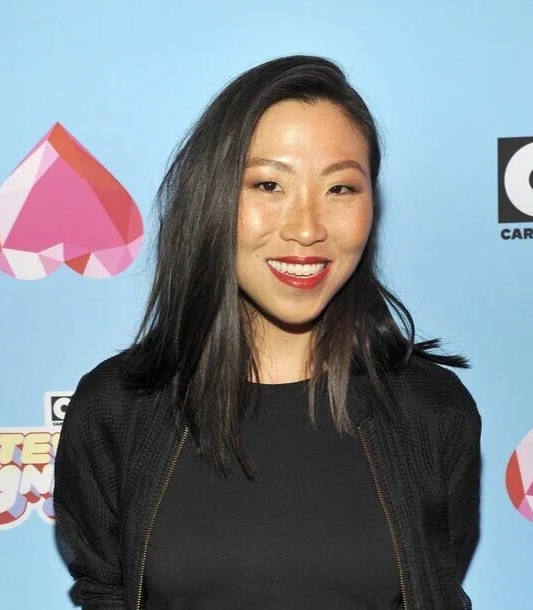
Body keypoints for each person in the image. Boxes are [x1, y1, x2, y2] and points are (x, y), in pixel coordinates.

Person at [54, 54, 482, 610]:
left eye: (341, 189)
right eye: (269, 184)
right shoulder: (116, 408)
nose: (306, 228)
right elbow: (104, 589)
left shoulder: (433, 410)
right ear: (212, 198)